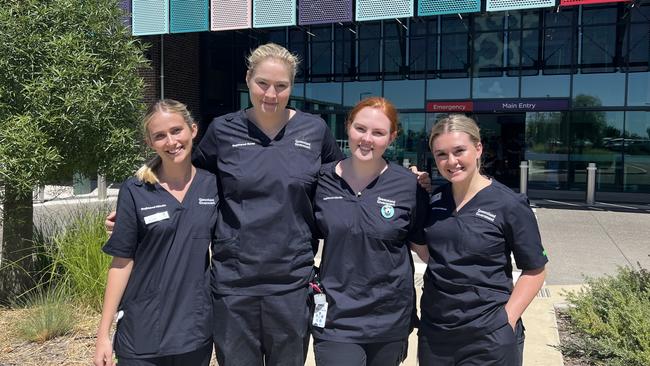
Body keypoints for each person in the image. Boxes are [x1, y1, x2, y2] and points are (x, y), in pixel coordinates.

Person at [416, 114, 548, 366]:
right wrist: (410, 188)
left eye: (459, 151)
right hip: (436, 333)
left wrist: (506, 321)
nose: (451, 161)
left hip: (488, 336)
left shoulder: (509, 204)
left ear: (478, 149)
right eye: (441, 154)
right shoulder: (434, 201)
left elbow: (535, 270)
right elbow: (427, 250)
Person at [94, 100, 216, 366]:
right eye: (160, 136)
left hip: (194, 331)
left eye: (176, 131)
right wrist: (103, 334)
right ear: (150, 143)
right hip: (142, 332)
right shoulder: (135, 190)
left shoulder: (212, 186)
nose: (171, 141)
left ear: (193, 130)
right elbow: (121, 262)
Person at [311, 97, 428, 366]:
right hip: (336, 317)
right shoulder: (321, 180)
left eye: (378, 133)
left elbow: (426, 248)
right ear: (347, 127)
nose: (367, 139)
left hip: (389, 318)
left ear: (392, 137)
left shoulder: (409, 186)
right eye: (361, 129)